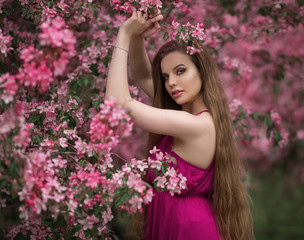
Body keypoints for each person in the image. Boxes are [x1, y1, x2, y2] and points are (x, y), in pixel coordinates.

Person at [105, 11, 254, 240]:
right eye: (166, 77)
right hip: (180, 225)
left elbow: (117, 104)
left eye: (180, 71)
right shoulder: (185, 114)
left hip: (190, 230)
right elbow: (143, 76)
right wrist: (138, 37)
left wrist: (124, 34)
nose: (171, 83)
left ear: (201, 71)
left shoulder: (197, 125)